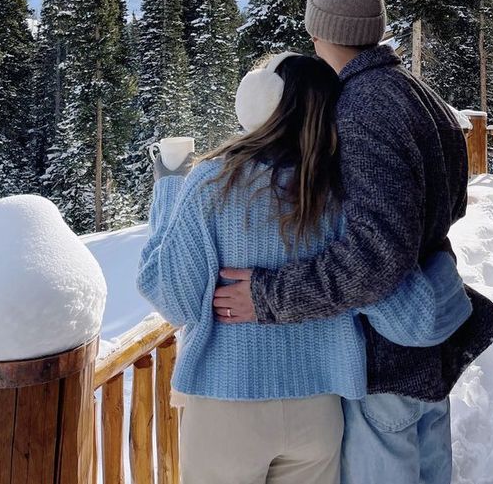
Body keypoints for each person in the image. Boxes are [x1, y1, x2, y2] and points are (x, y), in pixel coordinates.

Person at [212, 0, 493, 484]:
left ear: (322, 32)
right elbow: (448, 206)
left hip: (387, 354)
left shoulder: (362, 107)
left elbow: (375, 256)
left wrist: (268, 297)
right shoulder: (418, 93)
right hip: (429, 330)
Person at [137, 52, 473, 484]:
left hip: (228, 402)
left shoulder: (212, 183)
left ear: (260, 103)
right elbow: (368, 277)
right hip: (319, 410)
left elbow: (175, 299)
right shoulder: (336, 191)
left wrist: (167, 188)